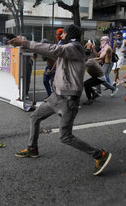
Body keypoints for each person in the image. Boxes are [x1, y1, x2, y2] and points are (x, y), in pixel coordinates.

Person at [9, 24, 112, 176]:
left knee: (65, 137)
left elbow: (55, 50)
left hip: (68, 100)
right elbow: (53, 53)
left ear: (69, 34)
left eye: (63, 34)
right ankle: (32, 149)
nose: (61, 36)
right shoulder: (67, 48)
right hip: (56, 96)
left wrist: (26, 43)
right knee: (35, 117)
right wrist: (32, 49)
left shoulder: (75, 47)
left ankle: (100, 155)